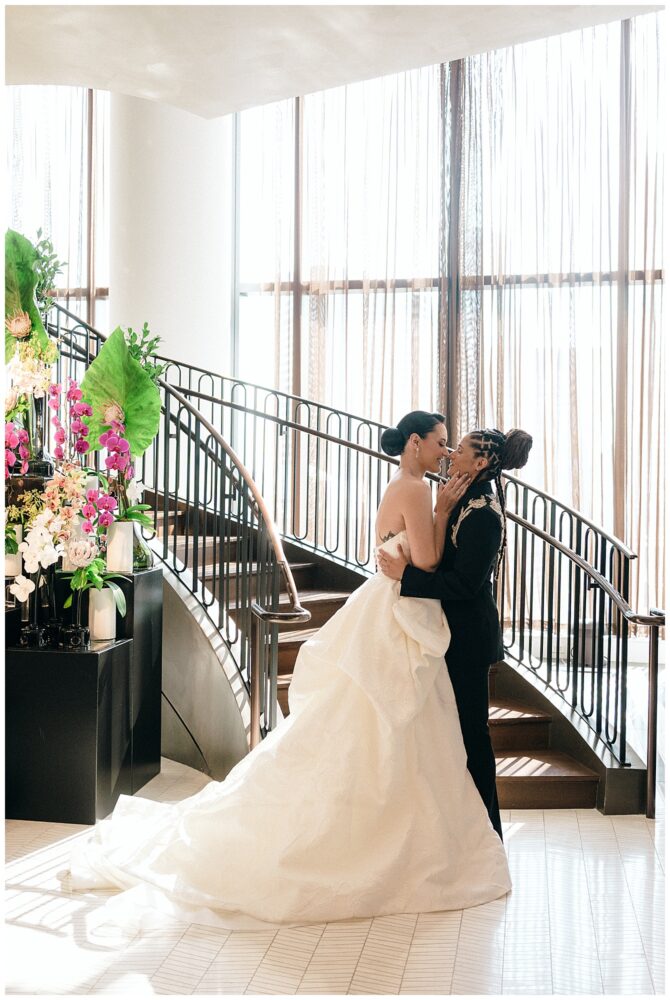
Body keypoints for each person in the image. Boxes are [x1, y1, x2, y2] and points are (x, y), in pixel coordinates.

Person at [67, 411, 512, 930]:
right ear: (415, 443)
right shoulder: (418, 491)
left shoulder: (412, 486)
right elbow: (432, 563)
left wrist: (441, 513)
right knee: (386, 724)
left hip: (396, 608)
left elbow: (422, 562)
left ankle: (407, 829)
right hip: (397, 613)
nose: (445, 453)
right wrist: (443, 511)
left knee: (385, 726)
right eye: (440, 443)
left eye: (451, 446)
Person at [377, 426, 533, 839]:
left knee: (472, 735)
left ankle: (489, 834)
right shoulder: (459, 496)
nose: (450, 454)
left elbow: (466, 585)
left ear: (479, 464)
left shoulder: (484, 513)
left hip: (468, 640)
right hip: (447, 632)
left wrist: (408, 577)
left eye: (459, 449)